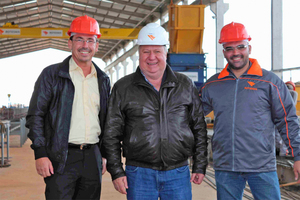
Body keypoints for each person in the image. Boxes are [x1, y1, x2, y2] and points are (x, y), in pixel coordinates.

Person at [102, 23, 208, 200]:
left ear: (166, 53)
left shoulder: (184, 85)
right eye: (146, 52)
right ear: (139, 54)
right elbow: (111, 133)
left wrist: (200, 164)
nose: (152, 57)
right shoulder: (123, 87)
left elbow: (198, 126)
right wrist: (116, 171)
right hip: (138, 173)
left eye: (157, 51)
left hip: (178, 172)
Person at [200, 22, 300, 200]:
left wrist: (298, 155)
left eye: (241, 47)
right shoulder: (213, 85)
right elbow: (190, 115)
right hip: (226, 166)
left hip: (261, 166)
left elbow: (287, 120)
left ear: (249, 47)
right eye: (229, 48)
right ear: (223, 51)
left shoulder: (270, 82)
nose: (235, 53)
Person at [25, 15, 111, 200]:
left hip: (92, 157)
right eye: (79, 39)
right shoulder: (52, 75)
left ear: (97, 45)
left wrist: (103, 154)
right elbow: (35, 115)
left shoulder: (103, 80)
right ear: (69, 43)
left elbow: (105, 119)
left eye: (90, 40)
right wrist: (40, 153)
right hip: (61, 157)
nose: (84, 45)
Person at [276, 81, 298, 156]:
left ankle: (282, 153)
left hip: (280, 116)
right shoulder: (293, 93)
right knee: (286, 136)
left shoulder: (282, 93)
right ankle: (283, 154)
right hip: (287, 116)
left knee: (280, 135)